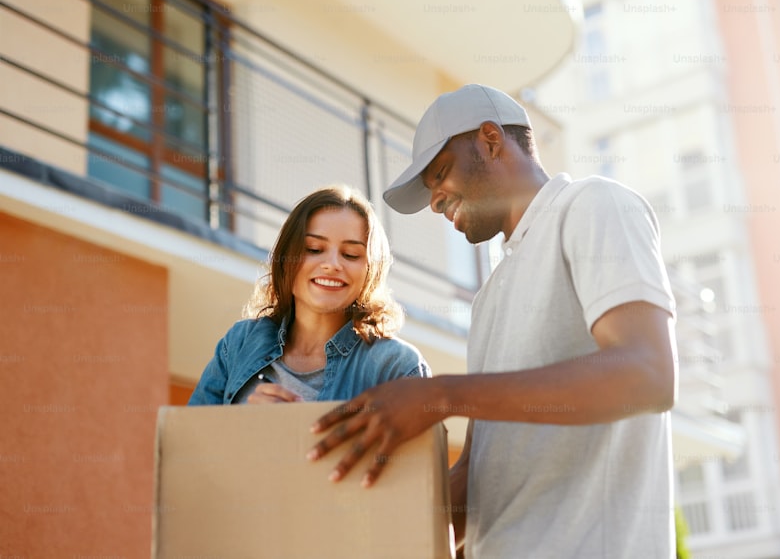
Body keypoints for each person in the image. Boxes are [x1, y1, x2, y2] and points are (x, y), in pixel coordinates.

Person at [307, 85, 677, 558]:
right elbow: (478, 485)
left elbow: (648, 374)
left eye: (440, 175)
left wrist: (440, 396)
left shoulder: (592, 205)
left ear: (490, 140)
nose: (436, 203)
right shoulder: (488, 302)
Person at [188, 185, 430, 406]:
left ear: (371, 271)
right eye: (314, 249)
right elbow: (188, 443)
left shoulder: (398, 367)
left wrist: (304, 430)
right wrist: (245, 424)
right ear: (286, 259)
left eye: (351, 254)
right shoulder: (239, 343)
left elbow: (417, 454)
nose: (332, 264)